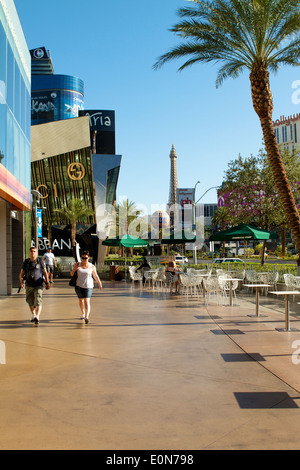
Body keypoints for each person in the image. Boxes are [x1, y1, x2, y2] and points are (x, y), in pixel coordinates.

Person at [19, 247, 50, 325]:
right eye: (31, 251)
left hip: (38, 284)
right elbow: (22, 273)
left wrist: (47, 282)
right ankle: (33, 314)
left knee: (38, 300)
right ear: (29, 253)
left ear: (36, 253)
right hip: (29, 284)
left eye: (34, 251)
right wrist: (21, 281)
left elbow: (45, 272)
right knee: (30, 301)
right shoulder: (26, 262)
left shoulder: (40, 261)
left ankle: (37, 316)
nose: (33, 253)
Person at [70, 250, 102, 324]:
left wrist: (99, 283)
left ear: (89, 257)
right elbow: (72, 274)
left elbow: (95, 276)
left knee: (86, 301)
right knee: (81, 300)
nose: (84, 259)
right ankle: (83, 313)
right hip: (79, 286)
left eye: (86, 258)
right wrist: (74, 269)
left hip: (88, 286)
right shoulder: (78, 265)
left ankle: (87, 317)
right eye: (83, 258)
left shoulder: (92, 266)